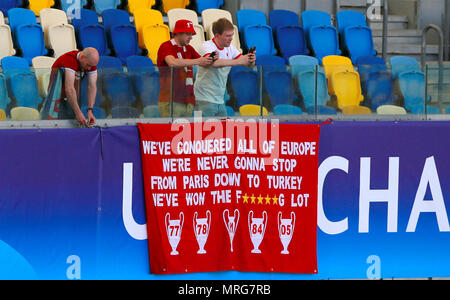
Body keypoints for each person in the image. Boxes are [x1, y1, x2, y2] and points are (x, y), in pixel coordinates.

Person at [194, 18, 256, 117]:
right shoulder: (206, 46)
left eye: (232, 35)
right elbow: (214, 63)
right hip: (204, 99)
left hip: (220, 99)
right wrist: (238, 61)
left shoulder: (231, 48)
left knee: (224, 130)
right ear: (217, 36)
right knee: (203, 131)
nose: (231, 38)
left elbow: (247, 64)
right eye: (228, 36)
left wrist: (251, 60)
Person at [157, 19, 215, 117]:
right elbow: (172, 62)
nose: (191, 37)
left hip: (188, 99)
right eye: (188, 34)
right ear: (178, 33)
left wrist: (212, 58)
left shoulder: (189, 48)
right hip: (171, 99)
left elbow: (203, 62)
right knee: (171, 130)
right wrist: (198, 61)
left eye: (191, 34)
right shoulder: (166, 46)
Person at [48, 47, 99, 126]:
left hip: (71, 99)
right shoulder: (70, 59)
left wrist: (90, 110)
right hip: (56, 98)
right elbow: (69, 89)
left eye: (91, 66)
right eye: (88, 65)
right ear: (82, 57)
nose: (89, 68)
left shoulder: (90, 63)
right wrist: (78, 113)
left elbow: (92, 86)